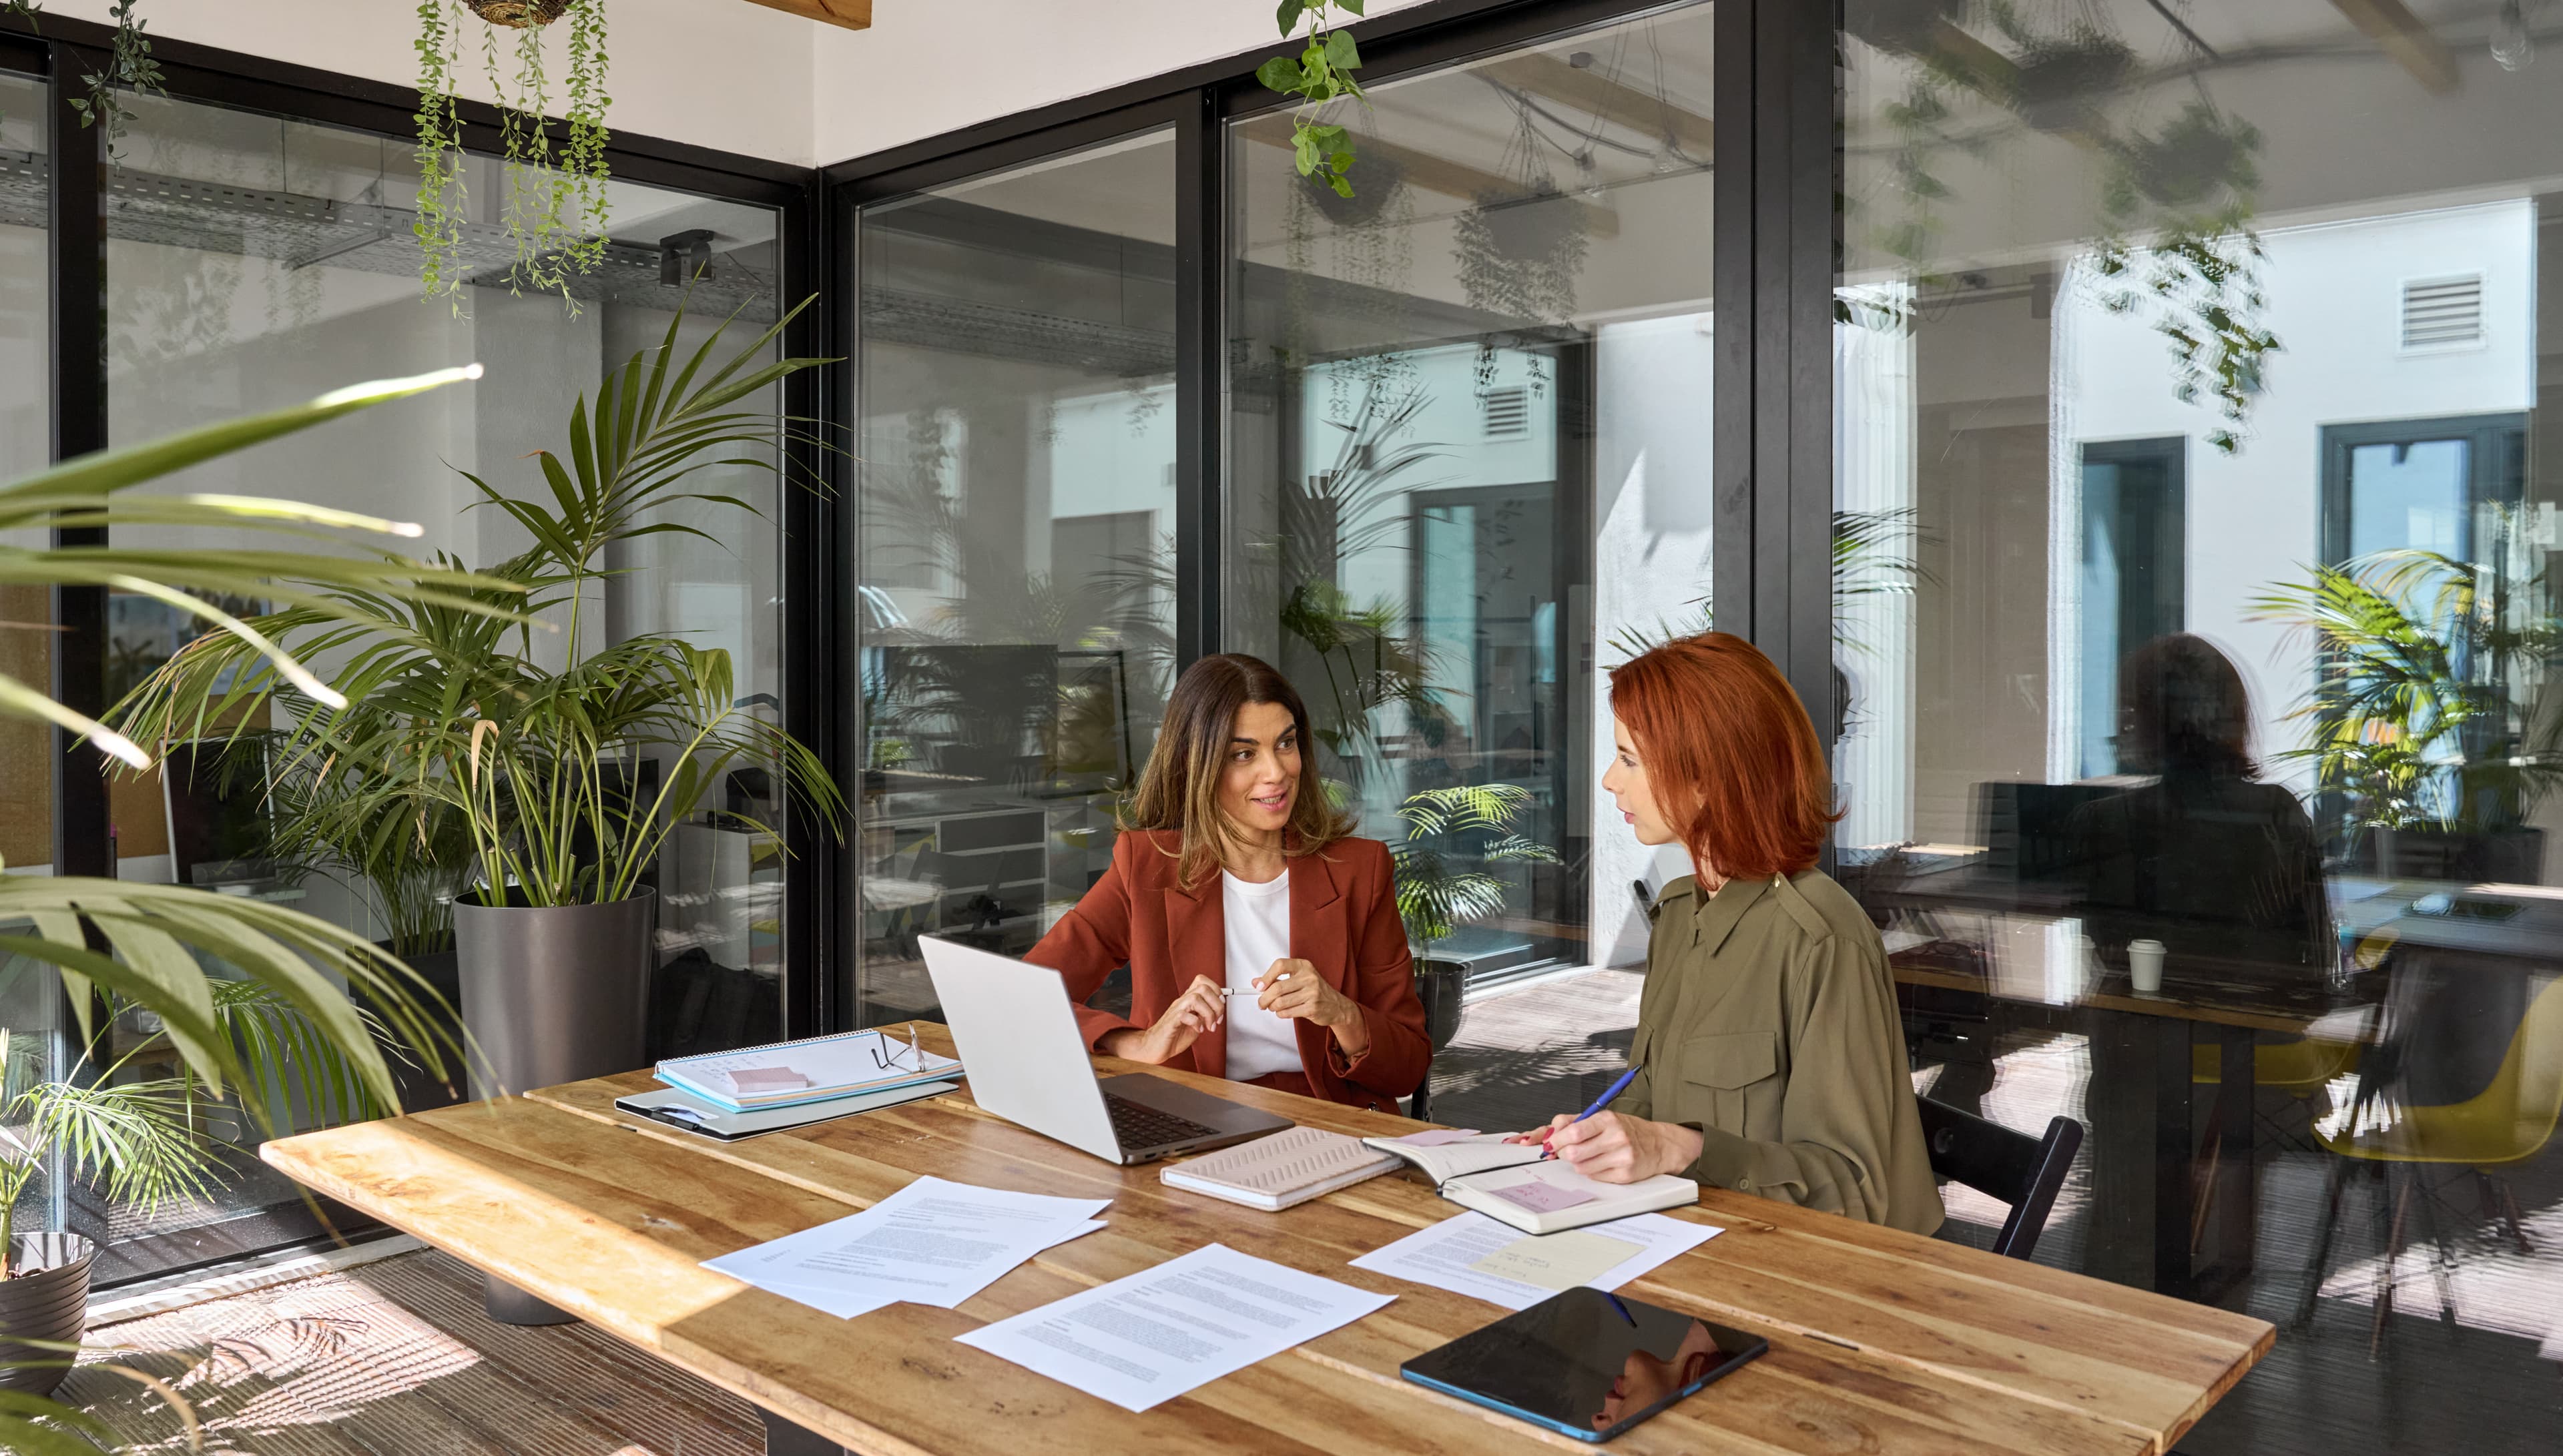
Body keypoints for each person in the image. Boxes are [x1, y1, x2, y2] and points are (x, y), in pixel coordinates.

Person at [1517, 632, 1942, 1234]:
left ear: (1708, 777)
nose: (1612, 781)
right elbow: (1654, 1089)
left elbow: (1857, 1190)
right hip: (1693, 1244)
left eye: (1630, 759)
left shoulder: (1822, 940)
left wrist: (1683, 1149)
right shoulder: (1680, 910)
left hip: (1814, 1285)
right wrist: (1596, 1137)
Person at [1025, 653, 1430, 1112]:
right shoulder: (1146, 867)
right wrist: (1136, 1043)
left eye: (1286, 743)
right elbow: (1027, 994)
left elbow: (1409, 1066)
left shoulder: (1360, 870)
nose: (1276, 772)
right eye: (1244, 754)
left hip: (1330, 1123)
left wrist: (1341, 1013)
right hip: (1192, 1120)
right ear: (1197, 763)